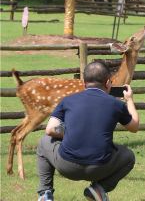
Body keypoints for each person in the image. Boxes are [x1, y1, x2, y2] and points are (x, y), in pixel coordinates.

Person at [36, 62, 139, 201]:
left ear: (84, 83)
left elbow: (50, 130)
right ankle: (98, 189)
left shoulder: (67, 100)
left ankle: (45, 194)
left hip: (67, 166)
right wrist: (129, 100)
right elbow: (134, 127)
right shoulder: (116, 104)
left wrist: (70, 133)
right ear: (108, 83)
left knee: (44, 142)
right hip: (100, 167)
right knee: (128, 156)